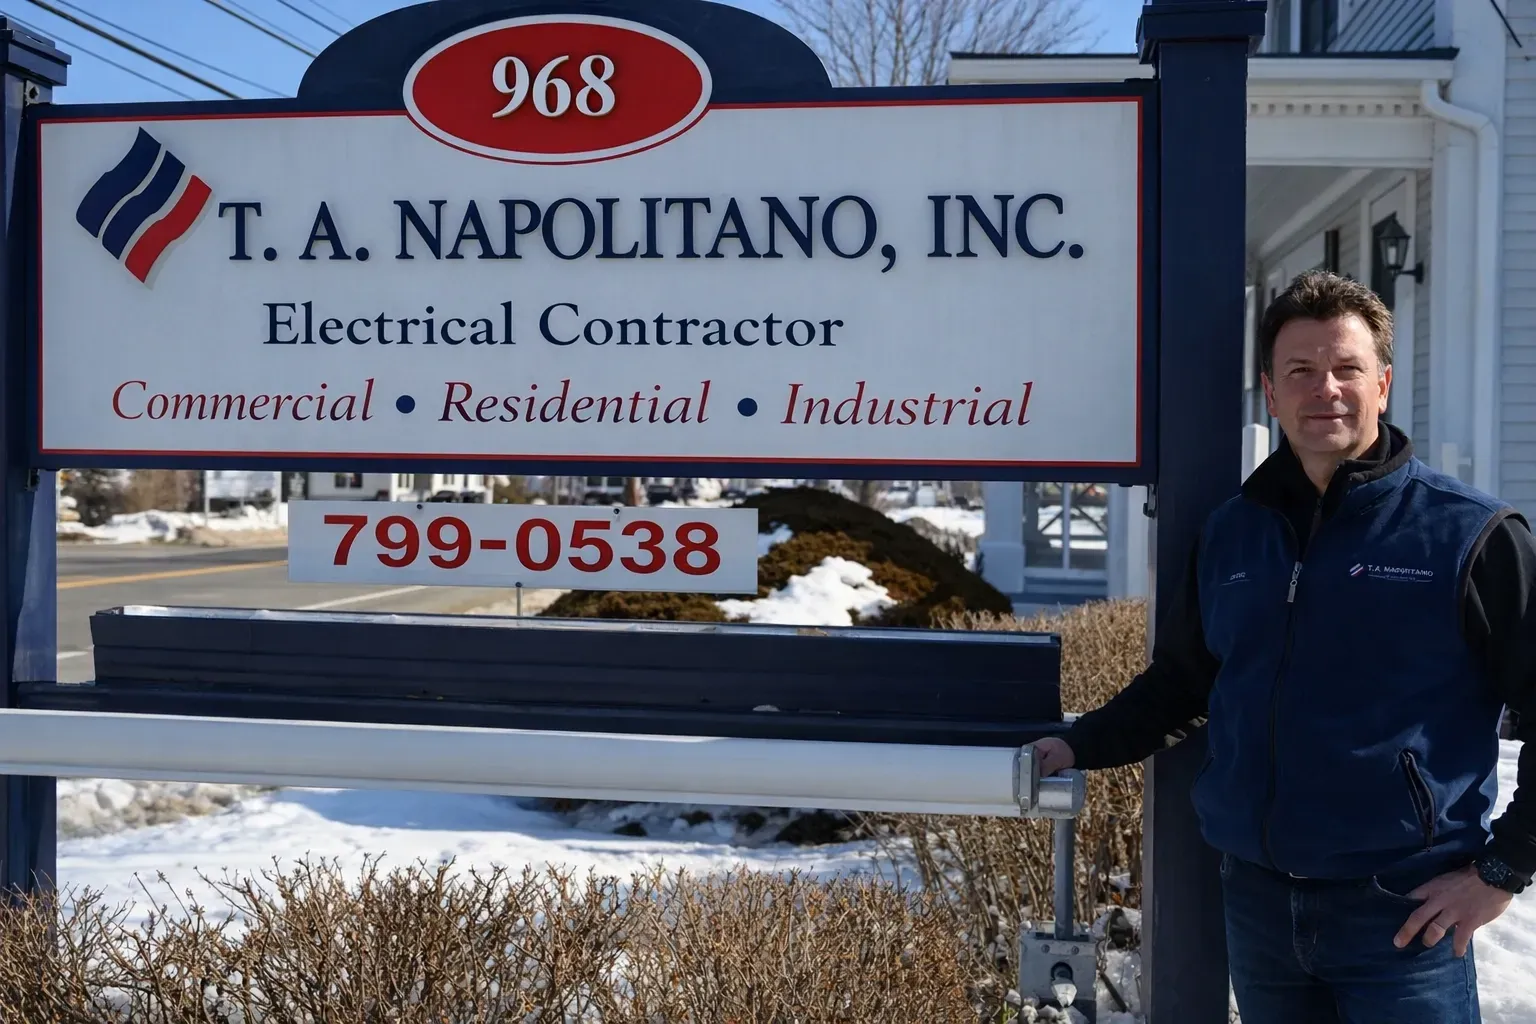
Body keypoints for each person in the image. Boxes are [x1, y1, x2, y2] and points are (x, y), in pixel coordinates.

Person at [1031, 270, 1536, 1023]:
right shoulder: (1234, 531)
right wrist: (1077, 745)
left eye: (1346, 368)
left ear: (1384, 384)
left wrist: (1502, 870)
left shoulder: (1472, 536)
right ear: (1271, 394)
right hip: (1260, 907)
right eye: (1300, 371)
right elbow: (1184, 684)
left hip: (1404, 914)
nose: (1324, 389)